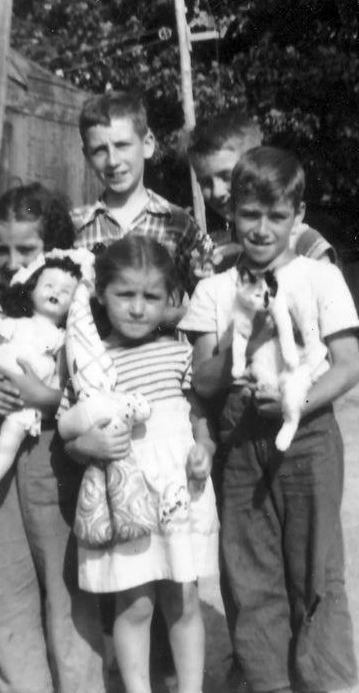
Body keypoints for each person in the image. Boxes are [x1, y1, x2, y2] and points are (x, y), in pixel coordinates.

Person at [181, 146, 359, 693]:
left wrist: (297, 402)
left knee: (315, 568)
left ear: (298, 217)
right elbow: (203, 382)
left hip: (307, 437)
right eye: (250, 215)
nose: (261, 229)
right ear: (230, 213)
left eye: (276, 216)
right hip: (239, 444)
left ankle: (322, 681)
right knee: (249, 572)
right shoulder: (213, 289)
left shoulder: (319, 278)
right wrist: (243, 329)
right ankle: (267, 682)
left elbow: (349, 365)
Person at [0, 182, 123, 693]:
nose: (10, 261)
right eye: (0, 250)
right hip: (3, 474)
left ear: (51, 247)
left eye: (25, 249)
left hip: (57, 459)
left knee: (68, 585)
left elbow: (85, 393)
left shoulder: (73, 308)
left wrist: (38, 395)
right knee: (7, 583)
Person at [65, 235, 220, 693]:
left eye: (151, 297)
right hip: (127, 497)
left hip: (178, 492)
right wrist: (89, 443)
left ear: (170, 299)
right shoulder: (92, 365)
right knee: (134, 605)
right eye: (124, 294)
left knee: (184, 597)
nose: (137, 308)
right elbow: (72, 438)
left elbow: (198, 417)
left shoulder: (178, 354)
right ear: (100, 294)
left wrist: (204, 450)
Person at [0, 253, 86, 499]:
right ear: (32, 288)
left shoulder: (61, 338)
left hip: (29, 402)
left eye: (66, 291)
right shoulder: (15, 323)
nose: (55, 292)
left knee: (9, 439)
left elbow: (59, 378)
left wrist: (44, 397)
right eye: (48, 285)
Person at [70, 90, 212, 299]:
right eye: (100, 150)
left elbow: (205, 295)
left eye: (122, 145)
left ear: (147, 145)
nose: (112, 161)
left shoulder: (179, 223)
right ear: (87, 156)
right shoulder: (76, 226)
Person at [187, 110, 335, 271]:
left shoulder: (302, 241)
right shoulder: (218, 252)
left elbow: (327, 290)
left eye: (227, 176)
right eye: (205, 182)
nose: (217, 192)